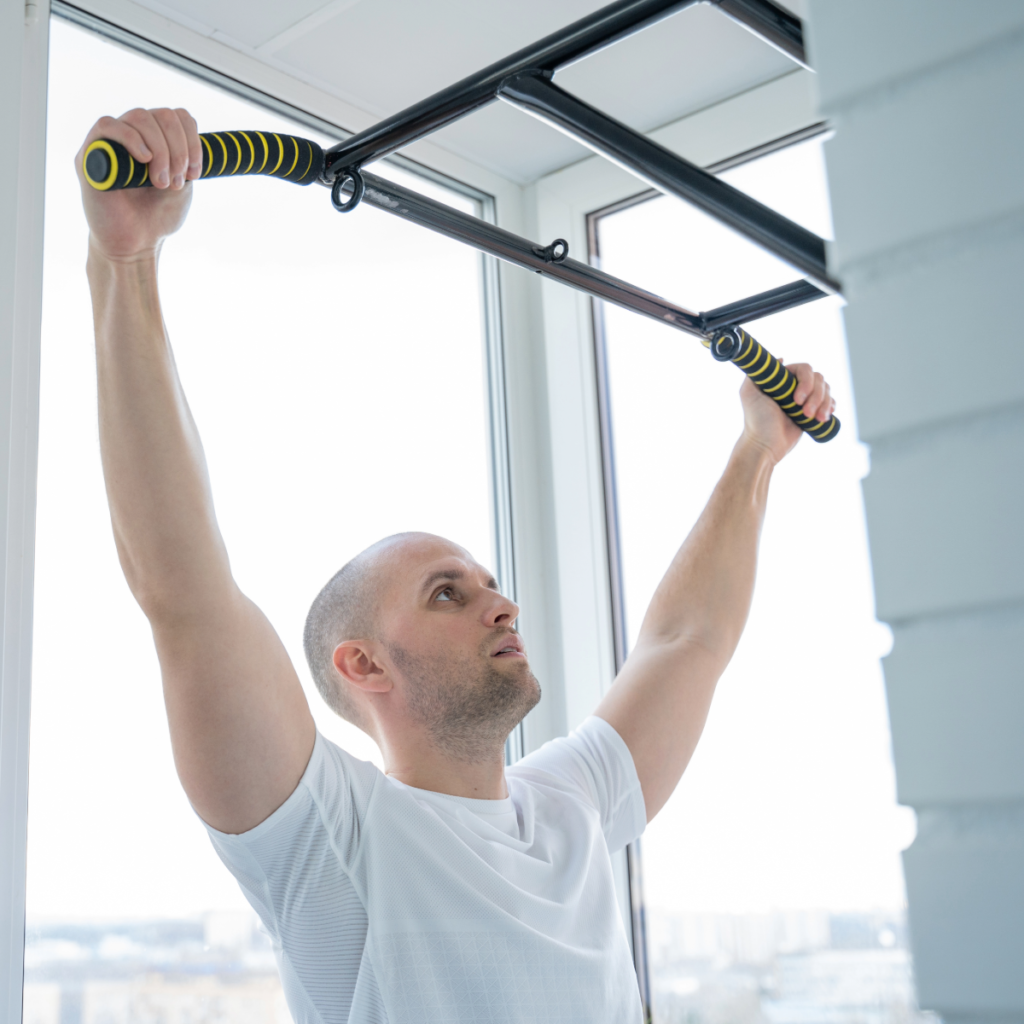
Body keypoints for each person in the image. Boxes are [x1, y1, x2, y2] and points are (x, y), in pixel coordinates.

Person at [76, 107, 835, 1024]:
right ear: (363, 664)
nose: (502, 603)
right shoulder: (332, 844)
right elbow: (183, 590)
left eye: (484, 581)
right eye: (449, 592)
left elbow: (687, 638)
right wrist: (123, 264)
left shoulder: (573, 808)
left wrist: (757, 452)